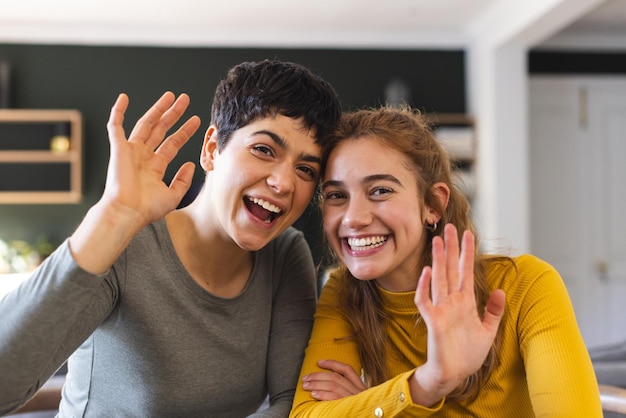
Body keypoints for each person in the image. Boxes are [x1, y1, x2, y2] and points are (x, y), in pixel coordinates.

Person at [0, 60, 342, 417]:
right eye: (264, 150)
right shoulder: (129, 244)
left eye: (305, 169)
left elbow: (292, 403)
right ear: (211, 149)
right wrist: (112, 216)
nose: (284, 183)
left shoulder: (285, 255)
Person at [289, 106, 603, 417]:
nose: (354, 218)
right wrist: (427, 383)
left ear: (434, 205)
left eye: (380, 191)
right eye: (336, 195)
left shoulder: (527, 285)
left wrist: (374, 405)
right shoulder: (343, 292)